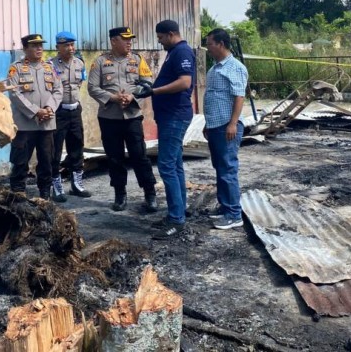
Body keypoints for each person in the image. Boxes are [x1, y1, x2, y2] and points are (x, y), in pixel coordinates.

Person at [134, 20, 196, 240]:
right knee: (175, 164)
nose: (159, 42)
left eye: (160, 38)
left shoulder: (182, 52)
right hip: (170, 115)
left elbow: (184, 82)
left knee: (167, 165)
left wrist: (155, 91)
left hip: (175, 115)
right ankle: (178, 212)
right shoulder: (175, 52)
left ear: (170, 34)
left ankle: (176, 220)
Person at [88, 27, 158, 212]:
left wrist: (132, 98)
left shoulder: (138, 59)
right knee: (115, 158)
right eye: (125, 39)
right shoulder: (101, 62)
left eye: (130, 40)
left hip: (132, 117)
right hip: (109, 118)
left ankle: (150, 193)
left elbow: (147, 83)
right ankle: (120, 194)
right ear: (113, 41)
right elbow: (92, 88)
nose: (129, 43)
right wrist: (113, 98)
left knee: (140, 156)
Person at [203, 28, 249, 230]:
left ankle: (234, 214)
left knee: (228, 169)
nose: (208, 48)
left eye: (210, 43)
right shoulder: (215, 68)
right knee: (220, 168)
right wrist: (207, 123)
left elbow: (239, 96)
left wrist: (232, 123)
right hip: (215, 125)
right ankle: (225, 206)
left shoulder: (235, 67)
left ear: (220, 44)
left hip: (226, 126)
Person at [7, 33, 63, 198]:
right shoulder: (15, 68)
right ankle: (18, 193)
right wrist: (35, 111)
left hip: (46, 123)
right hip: (24, 124)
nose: (39, 48)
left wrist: (48, 108)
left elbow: (58, 90)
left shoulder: (49, 67)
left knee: (46, 160)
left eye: (41, 45)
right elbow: (15, 94)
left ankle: (45, 193)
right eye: (34, 45)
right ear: (25, 49)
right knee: (20, 160)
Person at [49, 31, 91, 200]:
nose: (70, 48)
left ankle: (77, 185)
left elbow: (79, 84)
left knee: (77, 147)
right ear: (57, 47)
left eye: (72, 44)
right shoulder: (50, 65)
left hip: (75, 111)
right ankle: (57, 187)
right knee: (55, 150)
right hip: (58, 112)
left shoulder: (80, 63)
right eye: (66, 45)